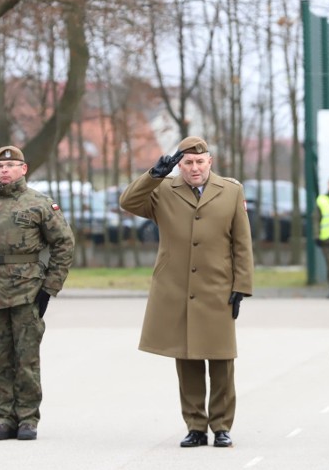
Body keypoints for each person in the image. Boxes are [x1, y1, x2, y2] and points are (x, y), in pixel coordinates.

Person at [119, 136, 254, 449]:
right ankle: (195, 426)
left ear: (210, 162)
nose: (194, 168)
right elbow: (128, 202)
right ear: (179, 165)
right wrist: (153, 175)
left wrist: (241, 286)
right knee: (188, 358)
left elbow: (241, 243)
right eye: (188, 163)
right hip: (177, 288)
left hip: (217, 286)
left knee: (222, 360)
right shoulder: (163, 190)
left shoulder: (231, 190)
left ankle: (221, 426)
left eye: (199, 162)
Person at [0, 145, 75, 441]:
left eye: (11, 166)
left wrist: (50, 287)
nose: (4, 171)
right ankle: (4, 418)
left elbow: (64, 244)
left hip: (27, 291)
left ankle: (27, 418)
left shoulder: (39, 204)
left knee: (26, 359)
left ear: (23, 169)